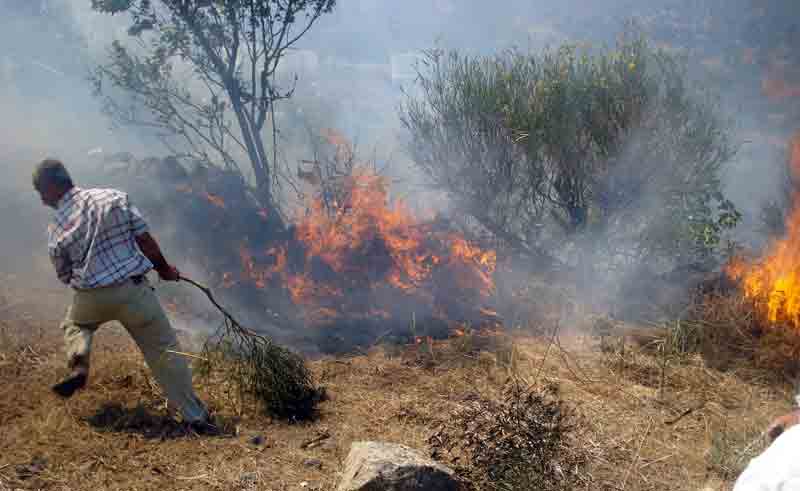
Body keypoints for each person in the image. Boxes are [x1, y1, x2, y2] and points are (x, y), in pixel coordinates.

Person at [33, 158, 214, 433]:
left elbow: (64, 275)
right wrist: (164, 269)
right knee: (165, 351)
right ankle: (195, 416)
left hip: (90, 296)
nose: (43, 201)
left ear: (54, 187)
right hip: (133, 292)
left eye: (42, 193)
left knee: (76, 325)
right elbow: (145, 240)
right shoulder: (114, 197)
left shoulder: (56, 226)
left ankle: (79, 360)